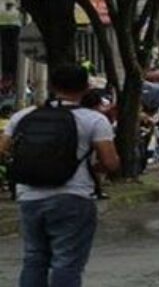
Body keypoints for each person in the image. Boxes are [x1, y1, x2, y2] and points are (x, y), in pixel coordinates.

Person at [0, 64, 120, 287]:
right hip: (74, 196)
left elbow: (2, 150)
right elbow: (111, 163)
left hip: (29, 196)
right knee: (67, 262)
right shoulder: (94, 120)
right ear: (86, 88)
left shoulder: (23, 116)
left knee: (34, 258)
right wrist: (96, 169)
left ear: (53, 86)